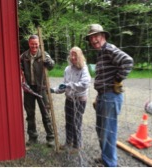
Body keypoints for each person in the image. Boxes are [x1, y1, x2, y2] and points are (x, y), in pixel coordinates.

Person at [85, 24, 133, 167]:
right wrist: (98, 96)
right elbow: (103, 77)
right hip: (103, 96)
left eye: (96, 36)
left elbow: (128, 61)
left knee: (108, 131)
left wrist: (118, 80)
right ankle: (106, 158)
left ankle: (110, 163)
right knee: (101, 129)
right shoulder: (101, 53)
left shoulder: (109, 49)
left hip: (111, 96)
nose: (93, 40)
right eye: (91, 37)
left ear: (103, 36)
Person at [51, 46, 91, 153]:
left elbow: (85, 84)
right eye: (71, 54)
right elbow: (64, 86)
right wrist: (54, 90)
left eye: (75, 55)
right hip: (69, 99)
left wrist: (68, 85)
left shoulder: (84, 68)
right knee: (68, 122)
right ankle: (68, 142)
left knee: (76, 122)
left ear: (80, 56)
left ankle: (77, 145)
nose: (73, 57)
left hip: (79, 100)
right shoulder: (67, 69)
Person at [20, 35, 55, 147]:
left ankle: (50, 138)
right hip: (28, 89)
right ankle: (32, 137)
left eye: (36, 44)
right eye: (32, 44)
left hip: (42, 89)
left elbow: (52, 66)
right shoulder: (24, 56)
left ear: (39, 44)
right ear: (29, 44)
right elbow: (18, 68)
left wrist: (48, 62)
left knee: (46, 113)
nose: (34, 46)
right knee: (30, 114)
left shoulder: (44, 54)